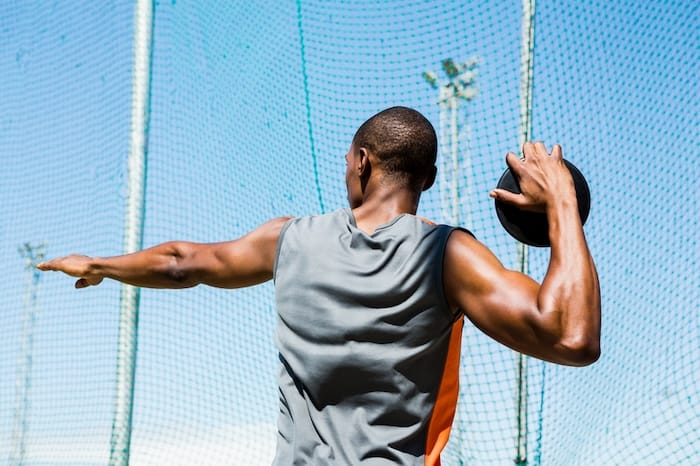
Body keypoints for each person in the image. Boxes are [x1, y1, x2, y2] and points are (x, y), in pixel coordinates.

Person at [37, 106, 600, 465]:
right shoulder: (449, 254)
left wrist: (104, 264)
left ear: (360, 162)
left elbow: (184, 262)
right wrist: (562, 208)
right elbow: (572, 337)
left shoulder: (288, 240)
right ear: (427, 179)